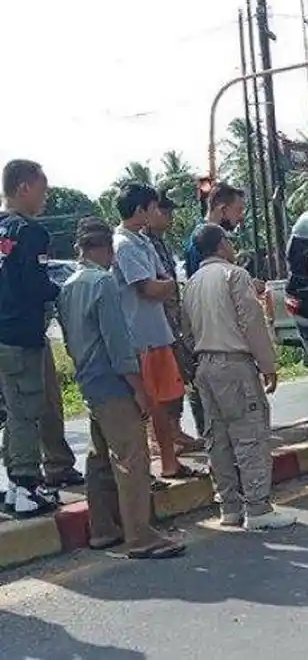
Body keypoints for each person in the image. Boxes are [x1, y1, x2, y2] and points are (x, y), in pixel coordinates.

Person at [57, 218, 185, 558]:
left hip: (89, 379)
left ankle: (103, 529)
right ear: (106, 249)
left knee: (100, 460)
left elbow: (71, 341)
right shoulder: (104, 283)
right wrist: (138, 388)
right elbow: (117, 342)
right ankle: (140, 536)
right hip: (114, 381)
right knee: (132, 459)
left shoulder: (68, 285)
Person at [183, 224, 294, 530]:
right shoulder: (235, 275)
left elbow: (186, 332)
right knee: (250, 435)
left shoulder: (191, 283)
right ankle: (258, 508)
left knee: (217, 440)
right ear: (221, 245)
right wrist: (268, 364)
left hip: (204, 365)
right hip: (234, 363)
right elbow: (252, 323)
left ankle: (229, 507)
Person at [0, 159, 74, 517]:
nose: (44, 200)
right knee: (27, 410)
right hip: (21, 332)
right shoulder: (30, 232)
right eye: (42, 191)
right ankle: (27, 486)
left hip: (2, 333)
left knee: (12, 409)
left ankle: (14, 485)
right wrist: (59, 291)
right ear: (24, 187)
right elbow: (36, 285)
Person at [112, 184, 200, 482]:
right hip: (140, 338)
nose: (158, 213)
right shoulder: (123, 245)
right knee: (146, 405)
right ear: (140, 211)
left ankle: (170, 462)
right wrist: (166, 286)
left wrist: (165, 285)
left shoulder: (143, 242)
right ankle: (144, 471)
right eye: (153, 207)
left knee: (164, 402)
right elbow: (150, 287)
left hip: (158, 332)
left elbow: (162, 279)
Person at [142, 192, 204, 453]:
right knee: (160, 382)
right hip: (156, 323)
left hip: (173, 320)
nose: (169, 217)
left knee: (178, 376)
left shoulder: (162, 243)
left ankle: (174, 430)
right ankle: (160, 436)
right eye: (164, 212)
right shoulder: (142, 243)